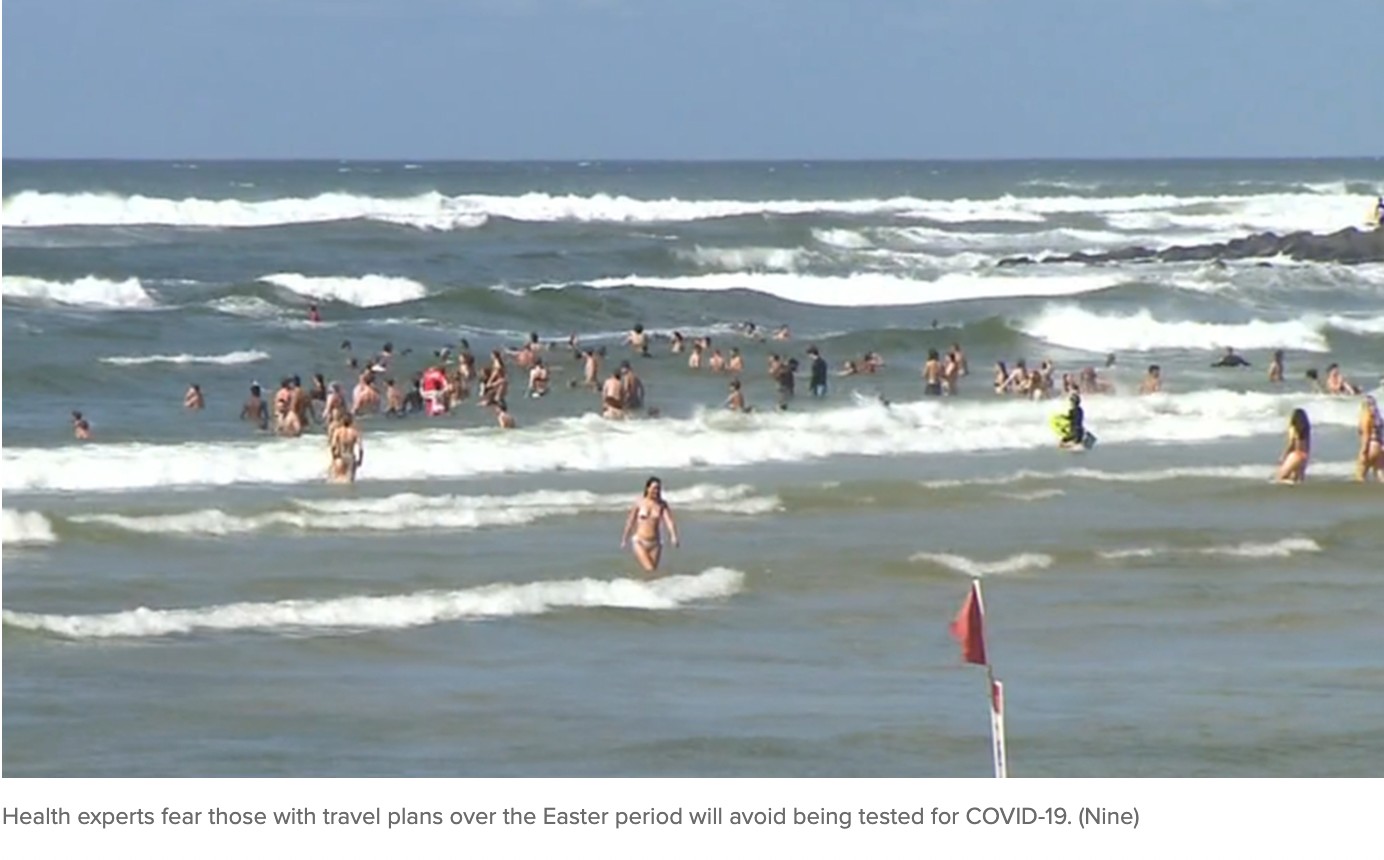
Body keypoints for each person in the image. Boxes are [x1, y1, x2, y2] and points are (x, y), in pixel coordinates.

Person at [620, 476, 680, 573]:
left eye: (658, 489)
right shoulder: (639, 502)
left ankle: (641, 582)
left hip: (655, 543)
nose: (656, 491)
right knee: (649, 568)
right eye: (654, 488)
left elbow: (669, 521)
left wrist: (674, 536)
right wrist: (624, 539)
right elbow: (630, 521)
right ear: (647, 488)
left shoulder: (662, 504)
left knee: (652, 572)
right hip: (640, 542)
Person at [1274, 408, 1311, 483]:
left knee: (1279, 478)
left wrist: (1284, 456)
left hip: (1295, 454)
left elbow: (1291, 444)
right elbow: (1308, 446)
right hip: (1303, 455)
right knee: (1297, 480)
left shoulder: (1293, 428)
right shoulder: (1306, 430)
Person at [327, 414, 364, 484]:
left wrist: (334, 457)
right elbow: (361, 448)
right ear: (351, 421)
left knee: (336, 480)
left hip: (340, 456)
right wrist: (360, 460)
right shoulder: (355, 432)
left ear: (342, 421)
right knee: (349, 482)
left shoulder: (337, 431)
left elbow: (333, 446)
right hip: (350, 457)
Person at [1357, 395, 1383, 482]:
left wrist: (1363, 451)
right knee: (1380, 475)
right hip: (1379, 447)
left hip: (1370, 447)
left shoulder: (1366, 416)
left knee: (1360, 475)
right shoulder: (1378, 418)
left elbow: (1366, 435)